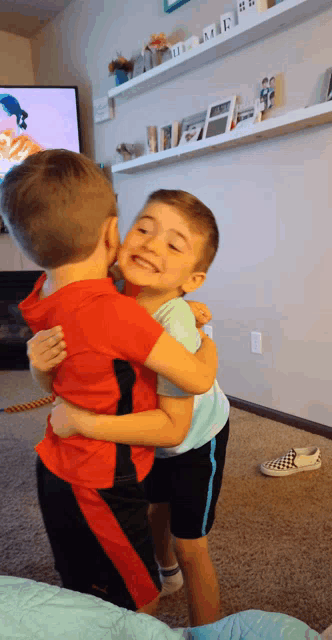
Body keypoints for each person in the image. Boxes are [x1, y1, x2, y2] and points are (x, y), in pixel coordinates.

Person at [0, 149, 218, 617]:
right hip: (101, 479)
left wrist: (37, 369)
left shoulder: (43, 292)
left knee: (79, 583)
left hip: (55, 468)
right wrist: (205, 340)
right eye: (143, 228)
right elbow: (198, 378)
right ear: (112, 232)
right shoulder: (117, 313)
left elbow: (59, 384)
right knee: (142, 599)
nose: (152, 245)